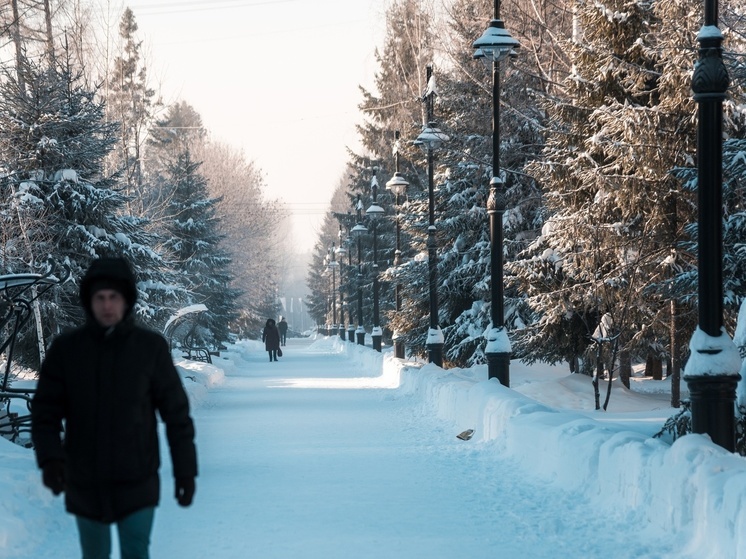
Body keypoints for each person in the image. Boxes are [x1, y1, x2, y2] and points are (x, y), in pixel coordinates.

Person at [31, 256, 198, 559]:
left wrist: (186, 472)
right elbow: (45, 413)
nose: (107, 305)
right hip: (84, 478)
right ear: (89, 301)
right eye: (100, 297)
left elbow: (177, 416)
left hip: (138, 477)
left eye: (114, 297)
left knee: (136, 551)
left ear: (126, 300)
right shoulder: (67, 351)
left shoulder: (149, 349)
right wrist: (50, 459)